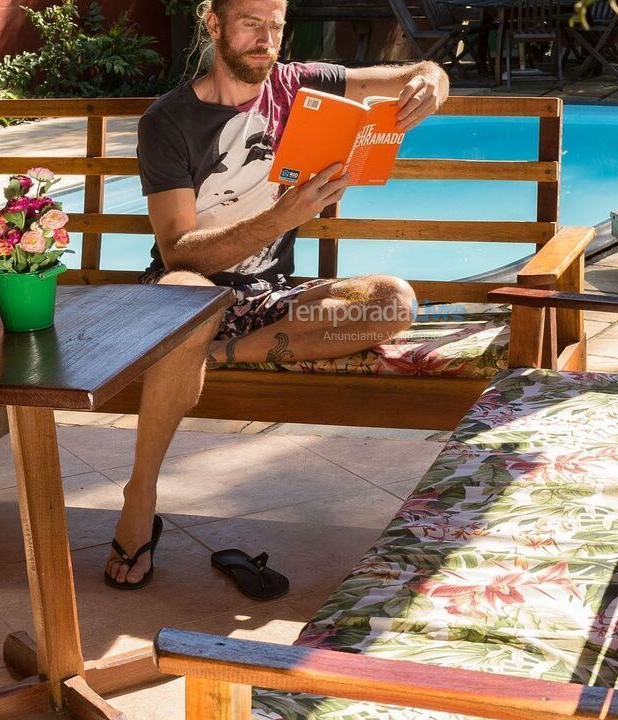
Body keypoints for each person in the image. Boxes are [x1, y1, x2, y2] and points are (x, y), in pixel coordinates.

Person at [103, 0, 450, 588]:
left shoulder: (300, 85)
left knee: (393, 300)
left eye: (276, 24)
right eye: (250, 24)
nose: (266, 39)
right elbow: (179, 252)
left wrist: (432, 82)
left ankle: (216, 357)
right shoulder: (168, 121)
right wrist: (282, 216)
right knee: (187, 303)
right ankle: (140, 495)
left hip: (266, 299)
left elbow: (416, 72)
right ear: (213, 24)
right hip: (184, 294)